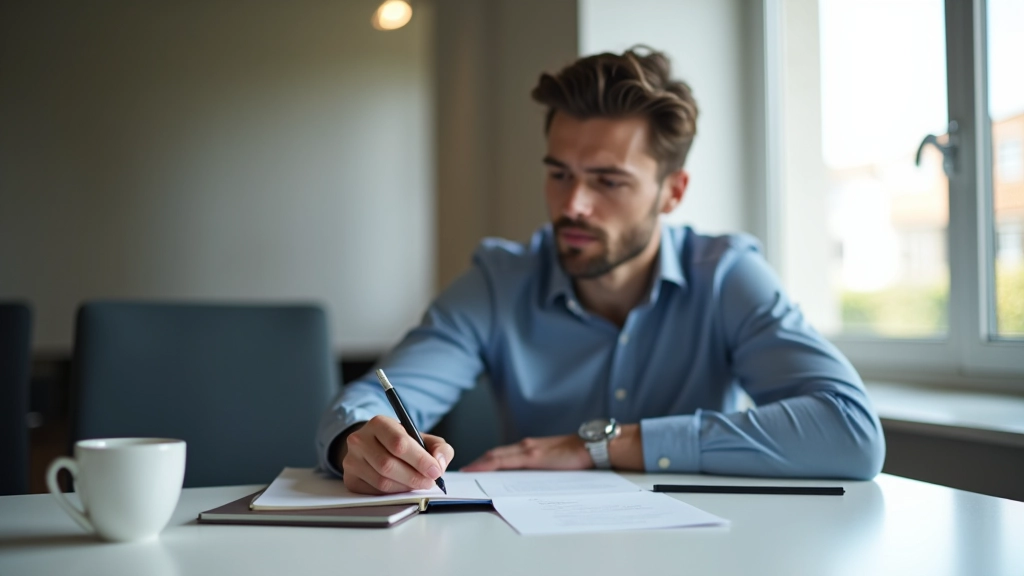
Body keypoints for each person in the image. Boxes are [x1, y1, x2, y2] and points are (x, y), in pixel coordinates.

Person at [317, 47, 885, 495]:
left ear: (673, 192)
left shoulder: (727, 276)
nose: (573, 206)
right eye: (559, 174)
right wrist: (358, 444)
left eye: (608, 181)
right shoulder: (499, 282)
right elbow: (371, 401)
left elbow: (851, 433)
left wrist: (603, 444)